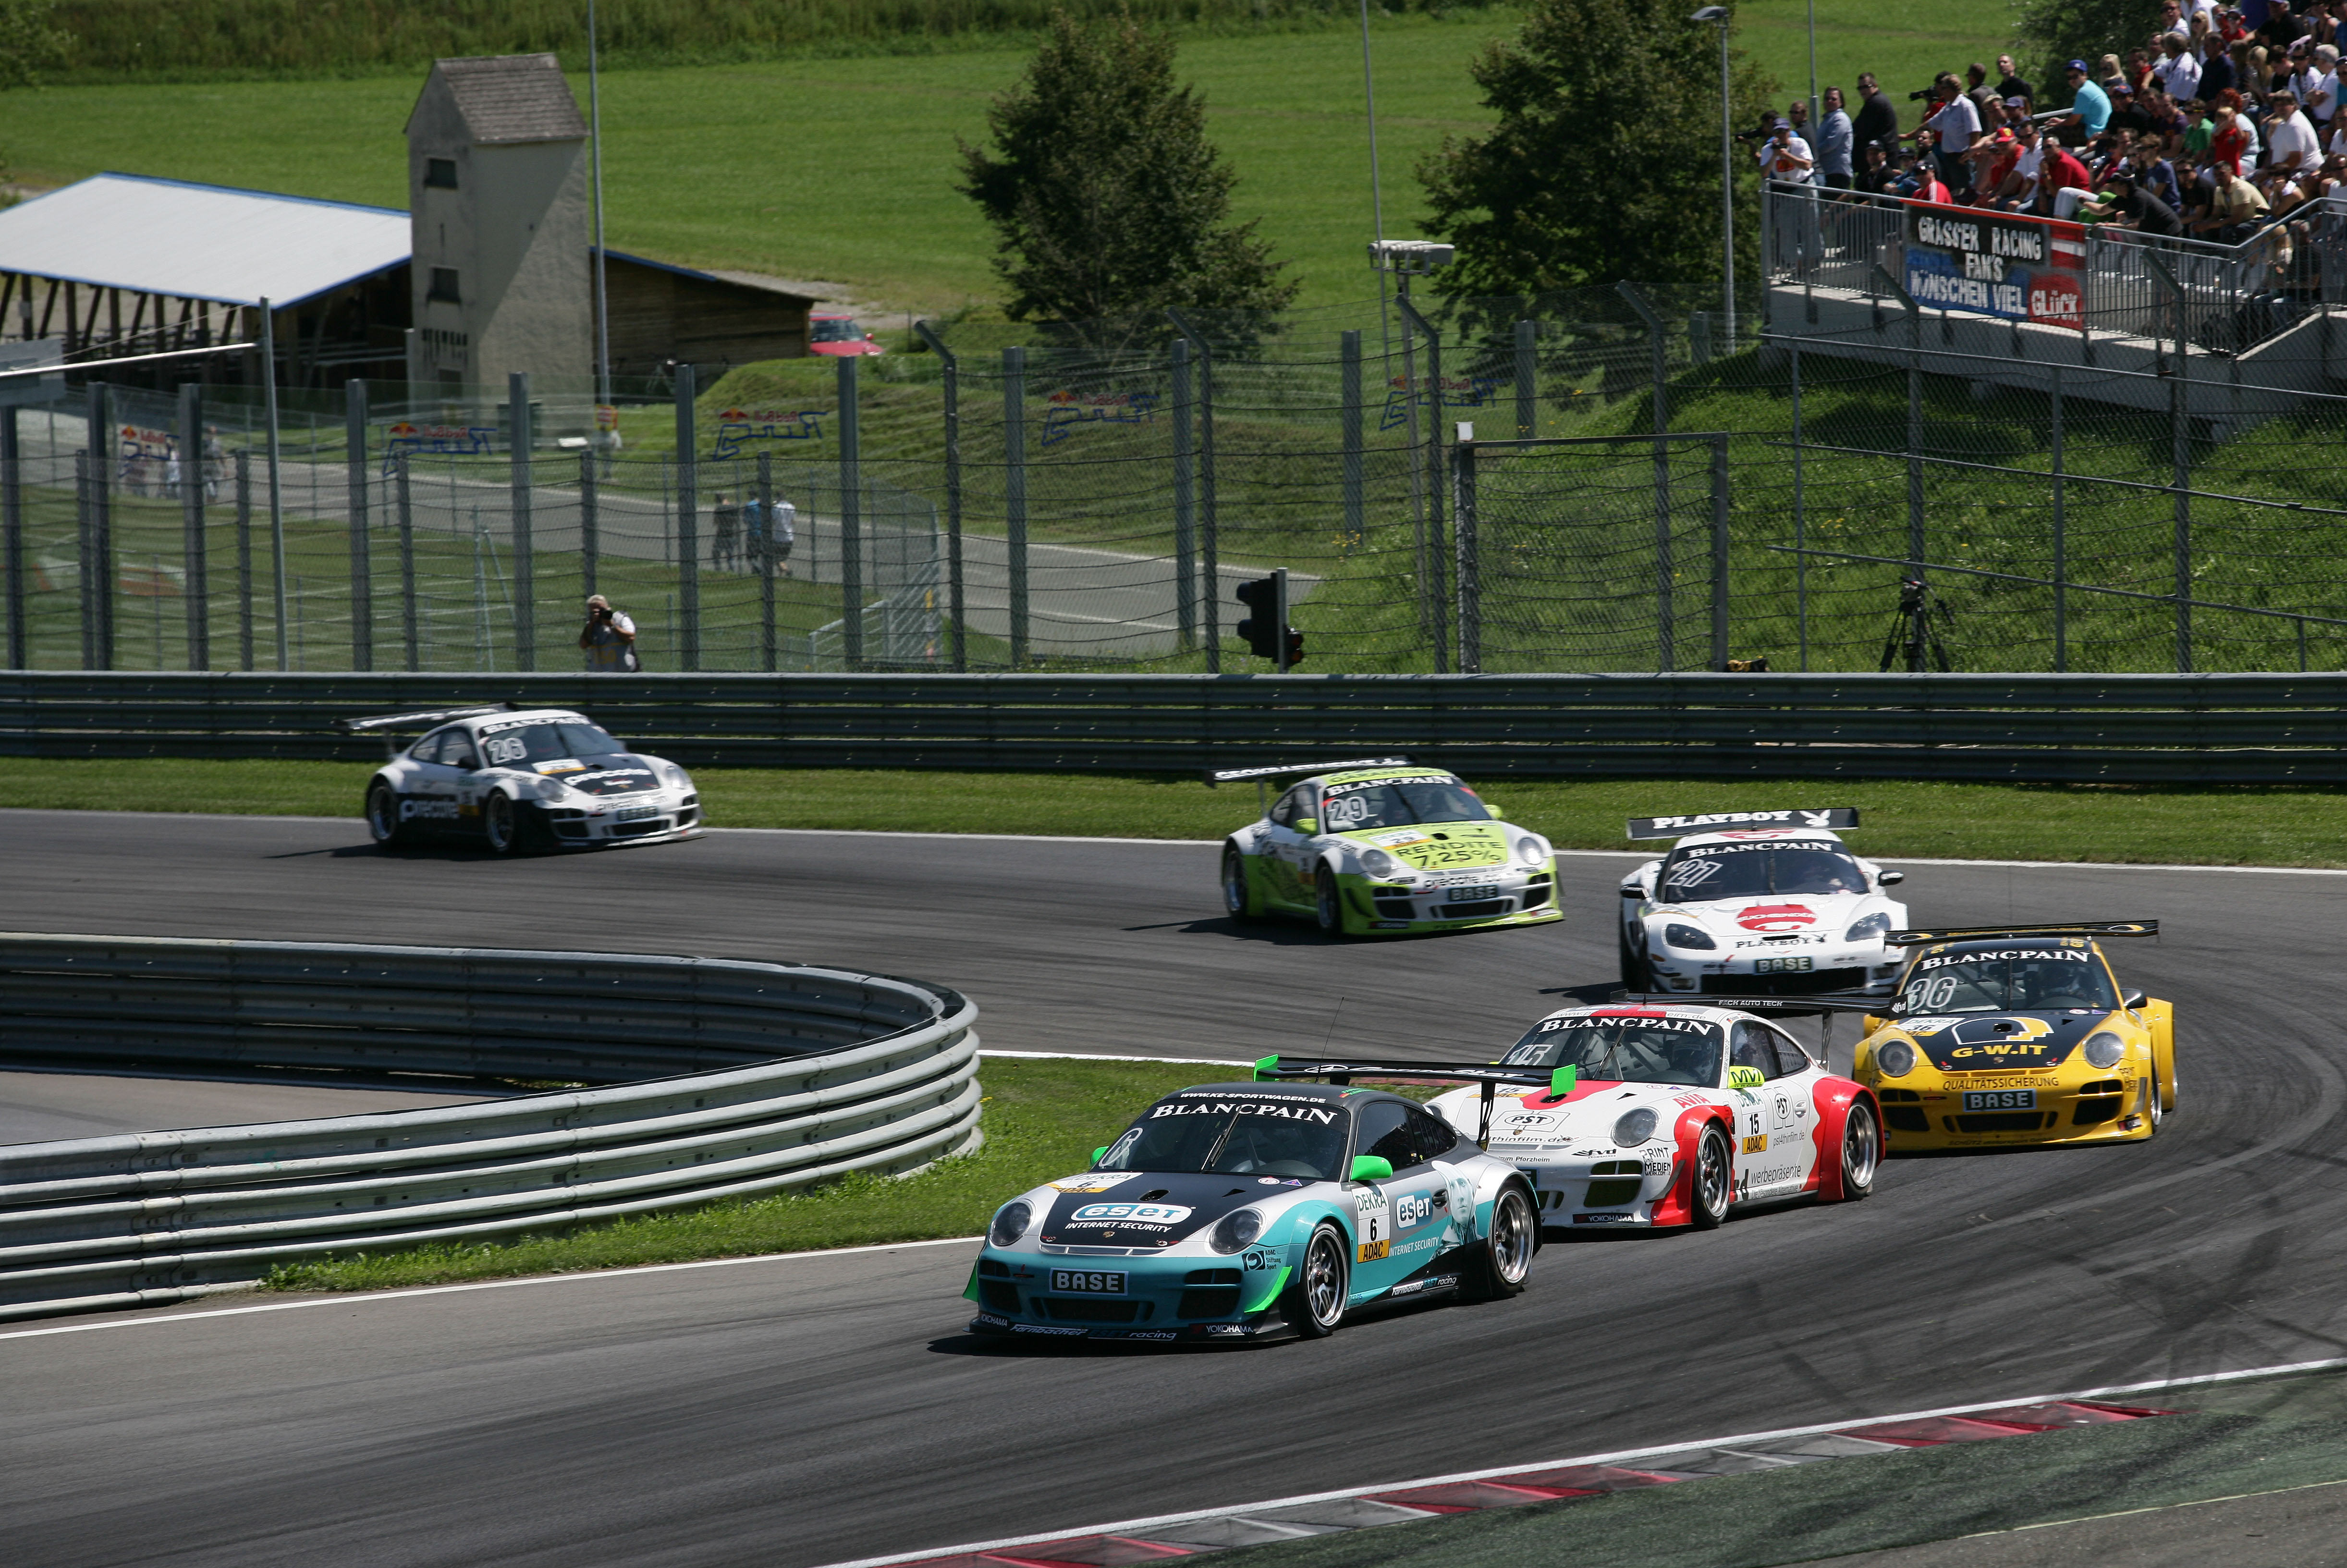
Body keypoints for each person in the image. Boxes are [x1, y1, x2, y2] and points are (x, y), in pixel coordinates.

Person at [2058, 60, 2113, 145]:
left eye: (2075, 76)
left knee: (2051, 134)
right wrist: (2062, 122)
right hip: (2102, 129)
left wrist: (2060, 123)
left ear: (2085, 75)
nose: (2072, 80)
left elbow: (2074, 121)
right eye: (2069, 78)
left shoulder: (2084, 92)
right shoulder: (2090, 86)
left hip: (2094, 133)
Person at [580, 594, 639, 673]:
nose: (598, 614)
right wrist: (591, 624)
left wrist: (611, 625)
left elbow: (631, 637)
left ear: (608, 608)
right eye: (594, 612)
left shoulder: (620, 618)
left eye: (601, 610)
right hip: (600, 675)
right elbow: (583, 645)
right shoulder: (591, 626)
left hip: (624, 674)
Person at [2267, 89, 2320, 171]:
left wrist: (2272, 173)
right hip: (2282, 172)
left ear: (2294, 105)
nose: (2281, 108)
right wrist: (2264, 170)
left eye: (2284, 105)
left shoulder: (2296, 125)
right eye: (2277, 105)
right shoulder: (2281, 124)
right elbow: (2272, 152)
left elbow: (2295, 159)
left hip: (2306, 171)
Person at [1852, 72, 1900, 153]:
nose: (1862, 91)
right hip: (1886, 150)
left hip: (1883, 153)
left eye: (1866, 87)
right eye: (1860, 88)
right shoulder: (1879, 99)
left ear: (1875, 86)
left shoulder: (1875, 102)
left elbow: (1858, 129)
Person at [1817, 86, 1855, 188]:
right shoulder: (1827, 119)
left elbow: (1830, 144)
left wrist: (1814, 153)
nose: (1829, 101)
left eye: (1834, 99)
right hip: (1827, 172)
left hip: (1838, 173)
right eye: (1827, 99)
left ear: (1841, 102)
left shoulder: (1840, 119)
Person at [710, 491, 740, 571]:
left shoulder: (719, 509)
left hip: (721, 533)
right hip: (731, 532)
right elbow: (736, 521)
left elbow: (716, 522)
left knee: (716, 553)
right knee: (730, 554)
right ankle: (732, 570)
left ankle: (718, 570)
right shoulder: (733, 508)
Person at [770, 492, 797, 578]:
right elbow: (793, 521)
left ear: (778, 498)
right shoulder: (792, 507)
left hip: (779, 537)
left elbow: (773, 520)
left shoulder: (776, 508)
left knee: (777, 559)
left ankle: (787, 571)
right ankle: (781, 575)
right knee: (782, 559)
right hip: (789, 537)